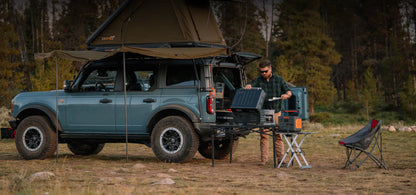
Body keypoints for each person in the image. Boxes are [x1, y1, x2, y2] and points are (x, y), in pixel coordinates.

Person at [245, 59, 292, 166]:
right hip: (264, 112)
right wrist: (248, 86)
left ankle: (281, 160)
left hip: (276, 112)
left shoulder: (279, 80)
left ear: (270, 69)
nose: (263, 73)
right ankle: (263, 161)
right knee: (264, 136)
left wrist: (286, 95)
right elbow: (250, 84)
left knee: (278, 136)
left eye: (265, 71)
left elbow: (288, 91)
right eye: (261, 72)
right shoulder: (258, 80)